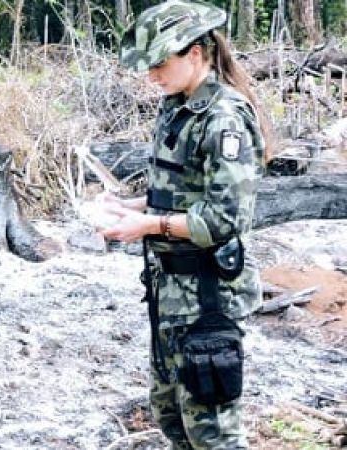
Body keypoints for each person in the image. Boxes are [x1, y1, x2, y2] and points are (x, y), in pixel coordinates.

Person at [99, 1, 271, 448]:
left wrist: (148, 226)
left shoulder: (225, 119)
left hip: (209, 296)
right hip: (170, 293)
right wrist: (130, 207)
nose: (152, 75)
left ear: (195, 53)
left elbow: (224, 217)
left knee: (212, 433)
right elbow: (180, 191)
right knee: (172, 418)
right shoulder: (177, 107)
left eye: (160, 63)